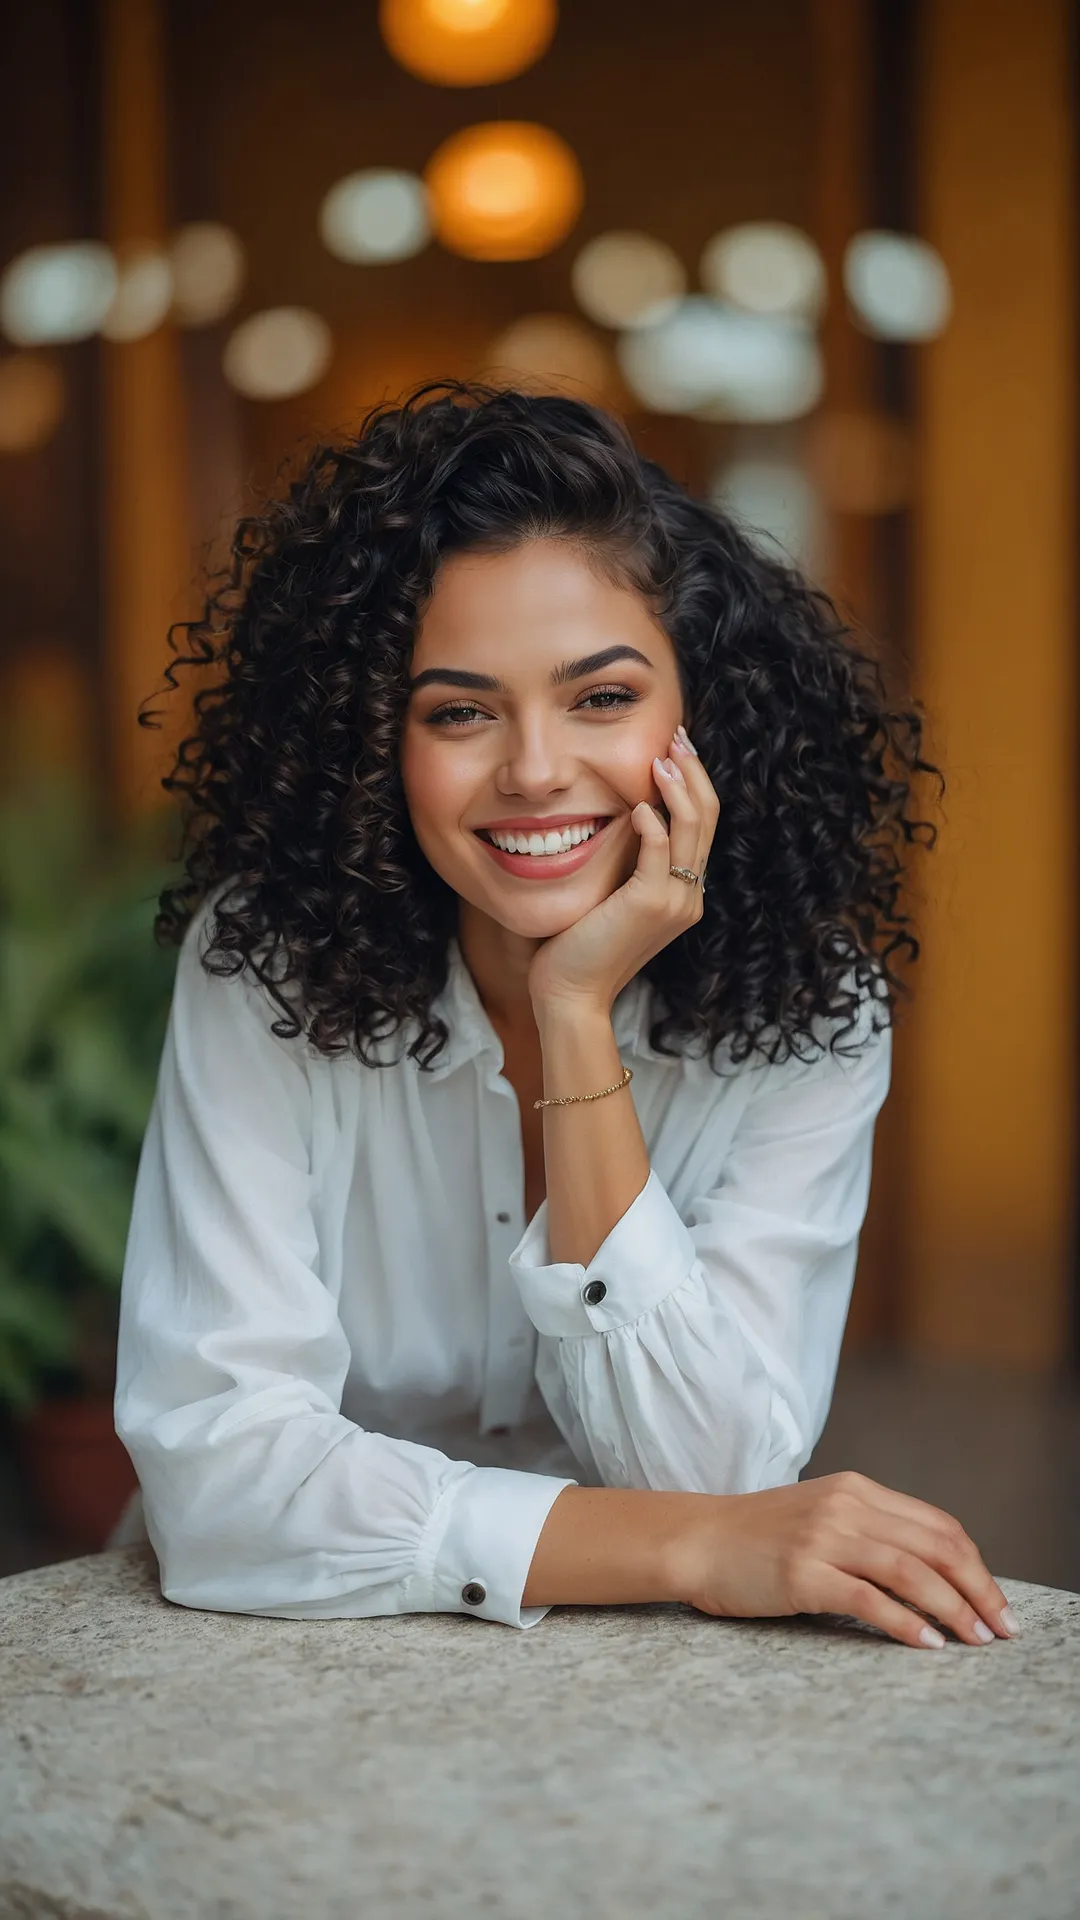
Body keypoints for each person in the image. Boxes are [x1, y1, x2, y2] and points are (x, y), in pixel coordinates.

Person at [112, 379, 1018, 1652]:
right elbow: (220, 1480)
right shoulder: (267, 967)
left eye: (601, 698)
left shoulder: (811, 1015)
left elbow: (713, 1464)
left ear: (701, 717)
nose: (535, 768)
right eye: (461, 711)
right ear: (377, 746)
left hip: (638, 1673)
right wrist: (689, 1547)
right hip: (274, 1646)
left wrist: (576, 1012)